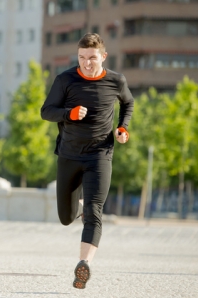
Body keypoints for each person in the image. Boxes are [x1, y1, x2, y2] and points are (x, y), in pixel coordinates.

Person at [40, 33, 134, 289]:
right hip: (69, 155)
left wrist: (123, 128)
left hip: (100, 155)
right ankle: (78, 206)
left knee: (95, 212)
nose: (86, 63)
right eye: (82, 58)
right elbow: (46, 111)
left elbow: (128, 103)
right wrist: (68, 113)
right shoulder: (65, 80)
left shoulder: (116, 80)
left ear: (103, 56)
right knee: (65, 217)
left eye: (92, 58)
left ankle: (84, 264)